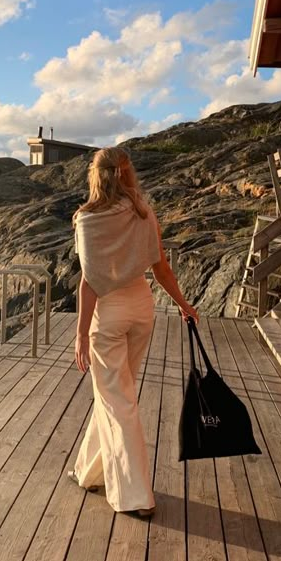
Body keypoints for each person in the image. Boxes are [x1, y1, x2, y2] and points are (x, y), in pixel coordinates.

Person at [70, 146, 198, 518]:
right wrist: (182, 303)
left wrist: (80, 334)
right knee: (118, 395)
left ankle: (136, 495)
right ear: (127, 173)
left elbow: (89, 283)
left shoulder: (87, 220)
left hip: (108, 315)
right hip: (143, 309)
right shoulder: (143, 211)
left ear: (96, 176)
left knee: (118, 401)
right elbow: (160, 269)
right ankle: (89, 471)